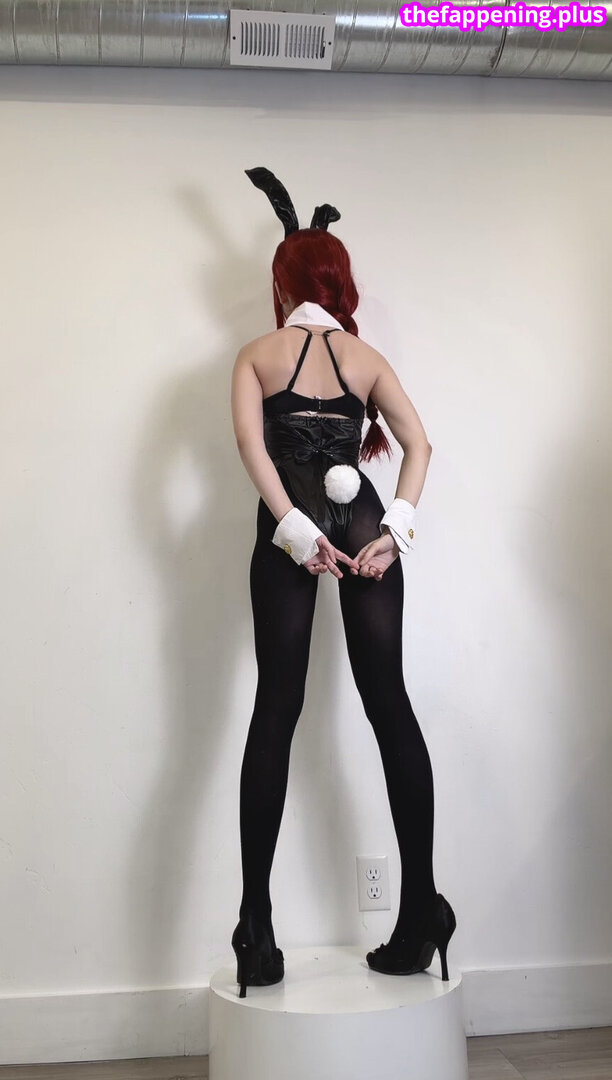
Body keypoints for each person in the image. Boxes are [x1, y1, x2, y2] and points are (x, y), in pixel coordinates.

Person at [229, 167, 456, 999]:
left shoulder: (258, 355)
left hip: (288, 528)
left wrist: (293, 530)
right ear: (338, 281)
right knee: (389, 704)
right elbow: (420, 445)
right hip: (361, 523)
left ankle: (257, 926)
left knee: (275, 711)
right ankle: (421, 908)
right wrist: (395, 533)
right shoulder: (364, 357)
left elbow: (253, 453)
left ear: (284, 282)